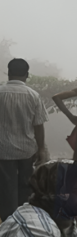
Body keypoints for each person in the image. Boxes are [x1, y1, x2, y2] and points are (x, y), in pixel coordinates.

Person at [0, 58, 48, 220]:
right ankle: (23, 221)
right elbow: (38, 125)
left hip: (3, 151)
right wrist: (41, 149)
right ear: (27, 74)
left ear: (8, 72)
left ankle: (8, 222)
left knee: (6, 188)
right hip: (27, 150)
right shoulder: (33, 96)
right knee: (26, 187)